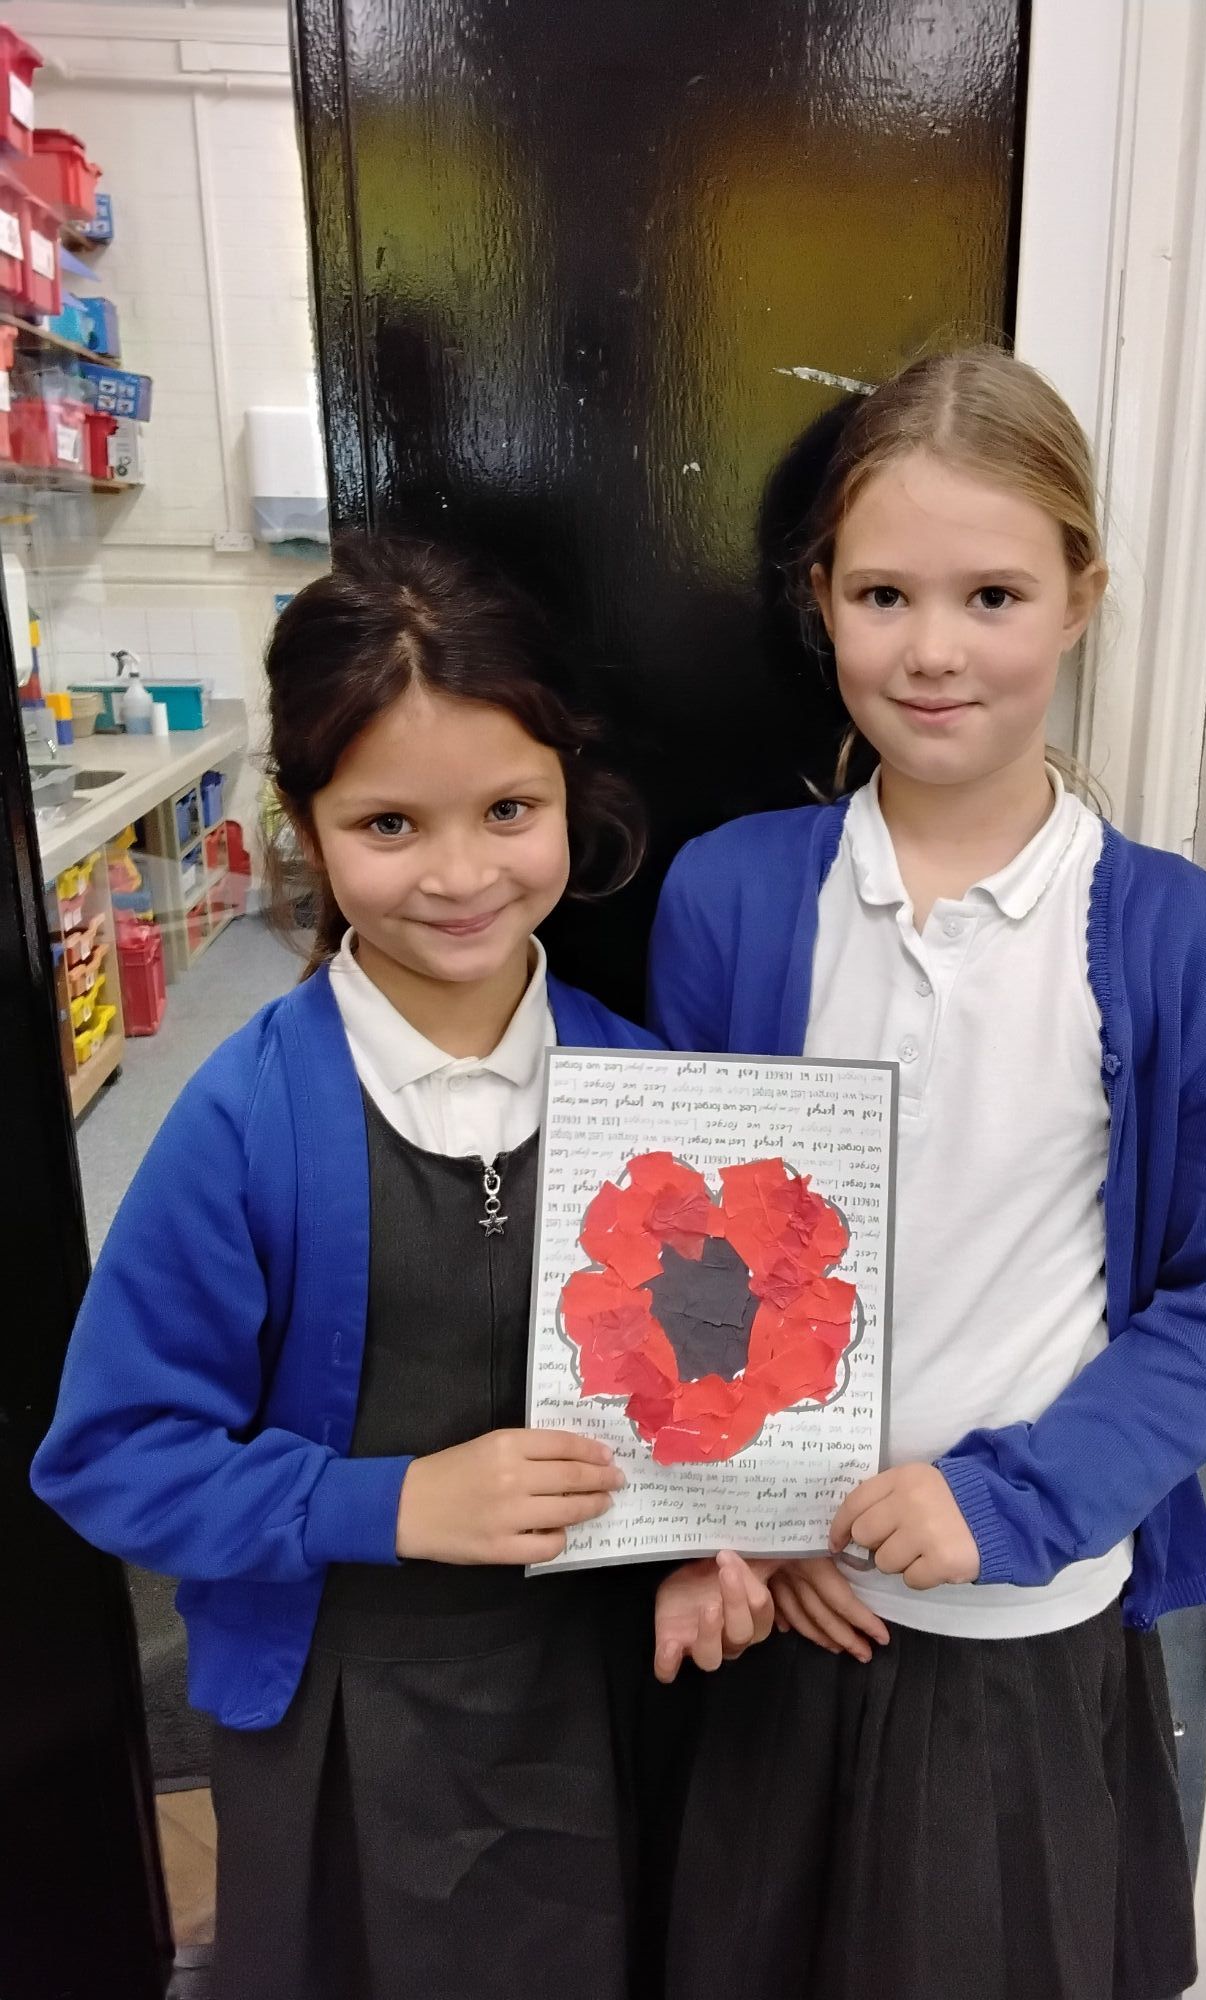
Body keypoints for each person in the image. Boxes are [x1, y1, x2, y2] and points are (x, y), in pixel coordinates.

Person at [646, 347, 1206, 2000]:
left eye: (993, 592)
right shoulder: (730, 900)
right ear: (821, 603)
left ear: (1080, 596)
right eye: (884, 595)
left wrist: (1003, 1500)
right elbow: (671, 1253)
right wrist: (730, 1514)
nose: (934, 650)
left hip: (1020, 1631)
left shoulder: (1177, 943)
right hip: (780, 1615)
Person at [33, 534, 686, 1999]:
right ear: (306, 826)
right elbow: (113, 1459)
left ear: (568, 794)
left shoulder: (653, 1089)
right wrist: (394, 1500)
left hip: (597, 1697)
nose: (460, 876)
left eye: (509, 809)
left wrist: (722, 1538)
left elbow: (707, 1406)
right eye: (390, 824)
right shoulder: (249, 1118)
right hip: (347, 1714)